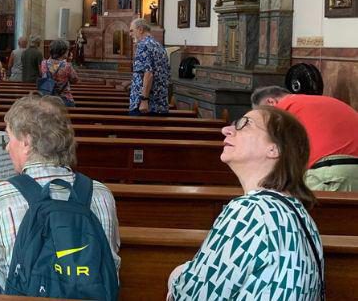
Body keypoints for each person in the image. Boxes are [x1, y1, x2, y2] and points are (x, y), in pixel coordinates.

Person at [0, 95, 120, 294]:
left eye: (9, 137)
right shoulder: (102, 195)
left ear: (26, 141)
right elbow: (111, 270)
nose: (6, 146)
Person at [167, 107, 323, 299]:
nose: (227, 130)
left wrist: (176, 276)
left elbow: (194, 295)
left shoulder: (251, 211)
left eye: (244, 124)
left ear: (274, 149)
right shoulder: (301, 215)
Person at [251, 86, 358, 191]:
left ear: (271, 102)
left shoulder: (283, 111)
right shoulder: (327, 101)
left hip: (330, 173)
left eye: (263, 113)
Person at [128, 18, 169, 115]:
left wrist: (144, 99)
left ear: (140, 29)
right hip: (160, 104)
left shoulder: (143, 45)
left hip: (146, 106)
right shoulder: (159, 46)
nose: (130, 34)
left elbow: (148, 73)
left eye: (132, 31)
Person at [39, 39, 79, 107]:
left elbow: (44, 75)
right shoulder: (67, 65)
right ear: (63, 51)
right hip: (64, 99)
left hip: (48, 99)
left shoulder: (43, 63)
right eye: (67, 50)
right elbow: (75, 80)